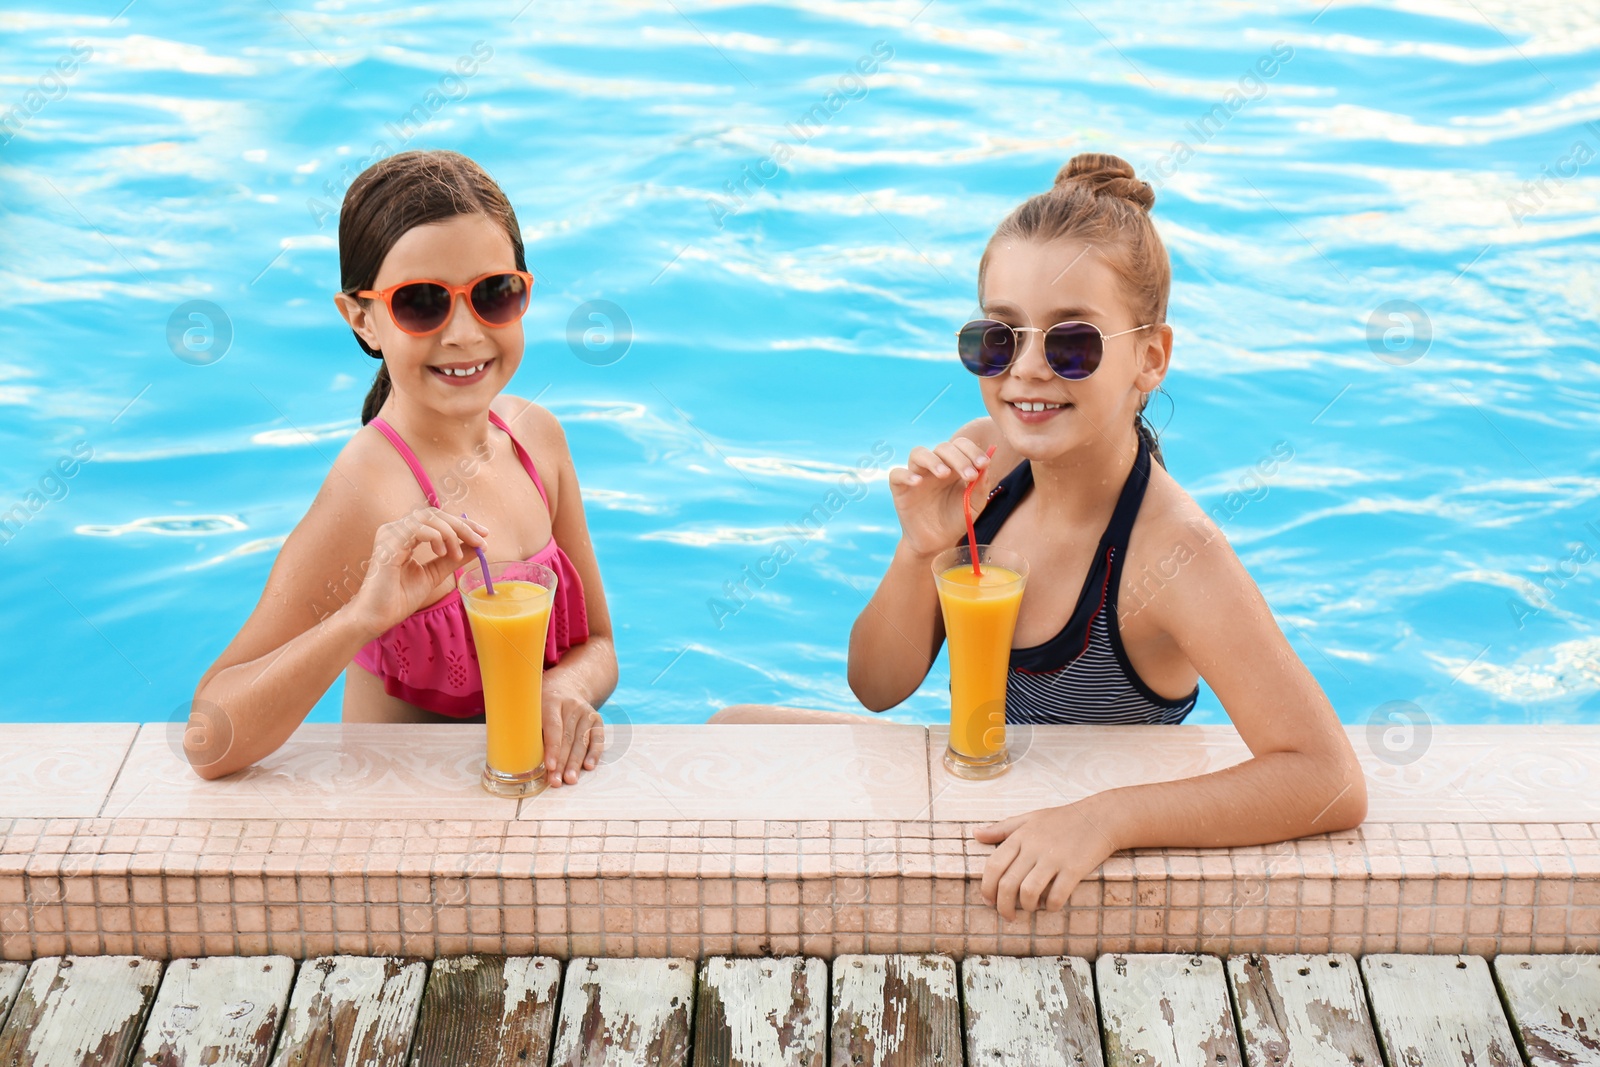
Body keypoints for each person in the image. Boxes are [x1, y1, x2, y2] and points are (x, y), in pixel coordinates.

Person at [712, 152, 1367, 918]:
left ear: (1149, 358)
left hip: (1062, 855)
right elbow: (877, 687)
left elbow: (1327, 777)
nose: (1026, 370)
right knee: (729, 729)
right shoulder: (985, 468)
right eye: (999, 336)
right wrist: (919, 548)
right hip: (978, 794)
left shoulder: (1171, 552)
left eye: (1072, 343)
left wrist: (1107, 820)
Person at [188, 150, 616, 789]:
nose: (465, 334)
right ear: (361, 317)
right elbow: (207, 740)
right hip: (404, 841)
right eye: (422, 304)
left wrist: (563, 688)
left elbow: (601, 645)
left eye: (494, 294)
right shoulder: (369, 491)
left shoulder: (537, 441)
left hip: (520, 803)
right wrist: (361, 617)